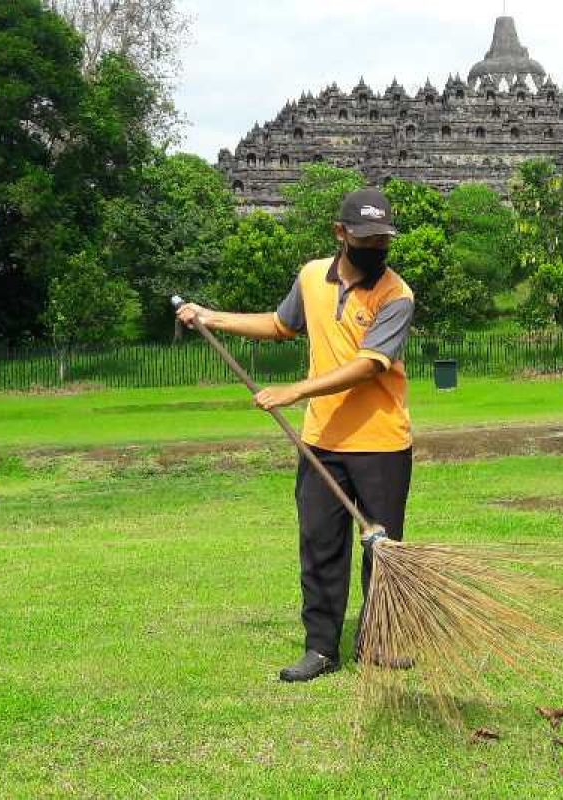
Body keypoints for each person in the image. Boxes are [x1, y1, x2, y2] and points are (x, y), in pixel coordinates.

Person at [176, 188, 414, 682]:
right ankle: (322, 648)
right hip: (321, 441)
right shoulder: (311, 277)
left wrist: (295, 390)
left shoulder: (397, 295)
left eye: (383, 241)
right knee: (321, 544)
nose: (376, 249)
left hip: (381, 445)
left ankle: (378, 641)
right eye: (367, 239)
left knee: (383, 551)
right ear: (341, 234)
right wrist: (210, 316)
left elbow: (370, 366)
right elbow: (282, 325)